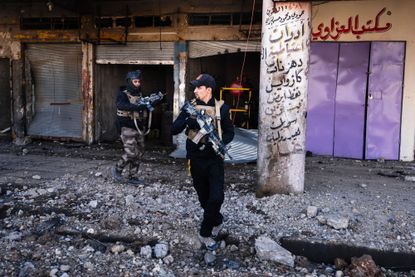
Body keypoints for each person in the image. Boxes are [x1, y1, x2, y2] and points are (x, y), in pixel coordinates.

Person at [171, 74, 234, 250]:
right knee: (204, 198)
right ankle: (217, 220)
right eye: (195, 87)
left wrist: (219, 142)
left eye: (199, 87)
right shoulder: (190, 107)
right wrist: (188, 121)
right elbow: (173, 129)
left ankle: (205, 233)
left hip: (214, 159)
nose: (196, 90)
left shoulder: (221, 108)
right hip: (196, 159)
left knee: (217, 197)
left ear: (208, 89)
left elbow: (230, 132)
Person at [112, 69, 148, 185]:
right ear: (129, 81)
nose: (137, 84)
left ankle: (133, 176)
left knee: (140, 152)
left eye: (138, 81)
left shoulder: (139, 93)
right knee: (131, 153)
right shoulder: (122, 94)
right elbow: (121, 105)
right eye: (135, 81)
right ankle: (117, 169)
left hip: (138, 127)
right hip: (126, 127)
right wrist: (137, 107)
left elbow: (144, 106)